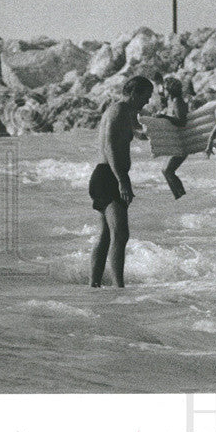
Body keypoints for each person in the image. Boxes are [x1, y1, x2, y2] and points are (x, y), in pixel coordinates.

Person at [87, 75, 154, 288]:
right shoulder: (117, 111)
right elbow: (110, 147)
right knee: (121, 233)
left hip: (109, 176)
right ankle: (119, 287)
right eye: (146, 97)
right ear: (134, 93)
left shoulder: (129, 112)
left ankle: (94, 285)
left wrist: (161, 129)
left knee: (107, 235)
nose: (147, 102)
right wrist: (122, 181)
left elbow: (139, 133)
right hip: (108, 177)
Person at [159, 77, 189, 199]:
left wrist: (165, 118)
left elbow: (182, 122)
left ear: (170, 90)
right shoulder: (171, 102)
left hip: (181, 142)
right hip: (175, 141)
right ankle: (179, 197)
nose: (163, 91)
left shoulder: (177, 101)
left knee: (168, 171)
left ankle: (181, 197)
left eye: (165, 89)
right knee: (165, 170)